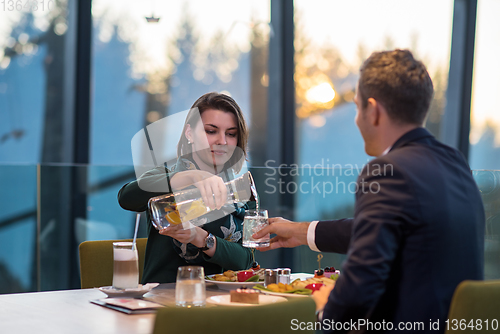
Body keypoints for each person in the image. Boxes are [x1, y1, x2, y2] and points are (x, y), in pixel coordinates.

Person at [254, 50, 485, 333]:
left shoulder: (387, 170)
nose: (356, 118)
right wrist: (301, 231)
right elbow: (387, 232)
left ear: (373, 111)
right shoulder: (455, 162)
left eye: (356, 107)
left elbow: (362, 283)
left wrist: (324, 312)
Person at [118, 92, 254, 283]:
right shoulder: (167, 175)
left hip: (223, 301)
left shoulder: (240, 190)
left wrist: (200, 237)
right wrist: (188, 177)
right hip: (165, 299)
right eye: (211, 131)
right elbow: (126, 197)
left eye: (231, 134)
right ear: (189, 133)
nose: (222, 141)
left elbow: (246, 260)